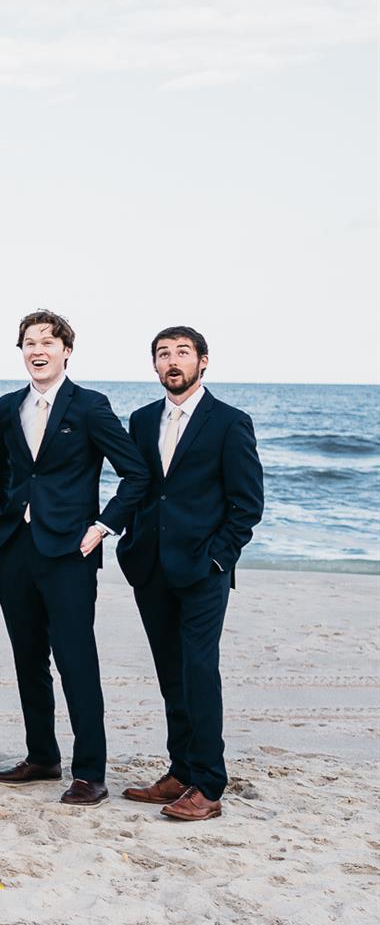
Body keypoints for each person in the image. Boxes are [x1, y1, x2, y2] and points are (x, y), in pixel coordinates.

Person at [0, 309, 149, 806]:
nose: (37, 351)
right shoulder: (7, 407)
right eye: (29, 343)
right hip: (16, 546)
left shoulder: (90, 406)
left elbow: (136, 473)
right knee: (27, 657)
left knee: (76, 661)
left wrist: (102, 527)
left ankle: (90, 772)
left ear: (66, 351)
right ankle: (41, 756)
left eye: (47, 343)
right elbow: (5, 471)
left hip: (71, 551)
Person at [116, 327, 263, 822]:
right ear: (155, 365)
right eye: (163, 354)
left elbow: (247, 504)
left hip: (203, 571)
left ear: (203, 361)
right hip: (151, 567)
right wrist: (124, 537)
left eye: (182, 352)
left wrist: (219, 558)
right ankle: (180, 772)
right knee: (171, 675)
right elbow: (140, 487)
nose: (172, 361)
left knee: (199, 672)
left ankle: (209, 784)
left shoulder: (230, 422)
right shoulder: (141, 420)